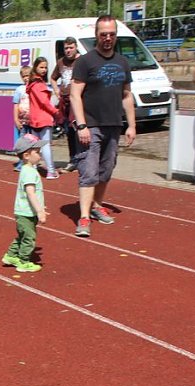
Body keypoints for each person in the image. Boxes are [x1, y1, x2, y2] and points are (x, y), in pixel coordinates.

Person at [70, 15, 136, 238]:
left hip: (113, 125)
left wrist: (131, 125)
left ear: (116, 35)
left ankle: (97, 205)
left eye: (111, 34)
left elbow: (126, 95)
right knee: (88, 172)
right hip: (91, 125)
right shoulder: (85, 61)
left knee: (105, 171)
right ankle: (84, 216)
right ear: (96, 35)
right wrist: (81, 125)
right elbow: (75, 95)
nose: (107, 38)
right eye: (103, 34)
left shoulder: (123, 62)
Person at [1, 133, 49, 273]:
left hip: (24, 211)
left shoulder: (27, 170)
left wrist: (40, 206)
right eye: (37, 152)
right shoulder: (29, 172)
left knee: (22, 235)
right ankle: (23, 261)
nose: (40, 155)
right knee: (29, 238)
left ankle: (10, 256)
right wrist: (39, 211)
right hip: (26, 213)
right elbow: (30, 192)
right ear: (27, 155)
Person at [26, 56, 62, 180]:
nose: (44, 70)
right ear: (35, 67)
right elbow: (44, 103)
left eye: (46, 67)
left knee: (36, 146)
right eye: (41, 67)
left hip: (34, 119)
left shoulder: (32, 84)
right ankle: (51, 171)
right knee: (45, 145)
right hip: (44, 118)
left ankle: (34, 168)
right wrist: (56, 112)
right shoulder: (39, 84)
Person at [50, 37, 80, 172]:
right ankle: (73, 159)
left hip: (78, 101)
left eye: (71, 47)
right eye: (66, 48)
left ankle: (82, 159)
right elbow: (53, 78)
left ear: (76, 47)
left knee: (79, 130)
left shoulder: (82, 61)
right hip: (65, 102)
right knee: (69, 132)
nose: (68, 50)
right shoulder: (61, 62)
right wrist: (56, 90)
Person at [12, 66, 32, 171]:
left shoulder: (34, 87)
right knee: (22, 142)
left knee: (32, 142)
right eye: (24, 76)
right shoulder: (19, 89)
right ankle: (21, 163)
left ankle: (32, 163)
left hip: (33, 121)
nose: (26, 78)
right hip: (22, 121)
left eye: (28, 75)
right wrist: (16, 119)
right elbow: (15, 105)